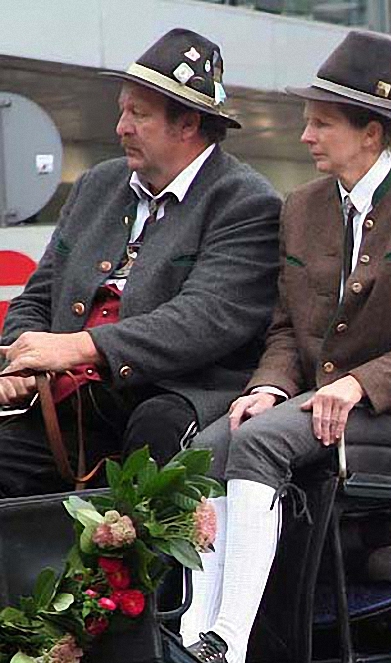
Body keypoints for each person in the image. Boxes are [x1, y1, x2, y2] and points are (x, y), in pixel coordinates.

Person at [183, 31, 391, 663]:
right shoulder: (302, 207)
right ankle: (192, 630)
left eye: (321, 123)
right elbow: (286, 329)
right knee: (202, 451)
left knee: (257, 444)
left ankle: (229, 642)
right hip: (312, 403)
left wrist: (359, 385)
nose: (306, 136)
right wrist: (267, 387)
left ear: (370, 132)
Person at [0, 29, 281, 496]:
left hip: (175, 394)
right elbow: (39, 295)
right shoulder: (97, 185)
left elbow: (203, 320)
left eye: (139, 114)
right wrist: (20, 361)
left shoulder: (246, 202)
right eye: (123, 111)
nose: (121, 127)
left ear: (188, 124)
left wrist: (78, 348)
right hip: (73, 400)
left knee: (154, 437)